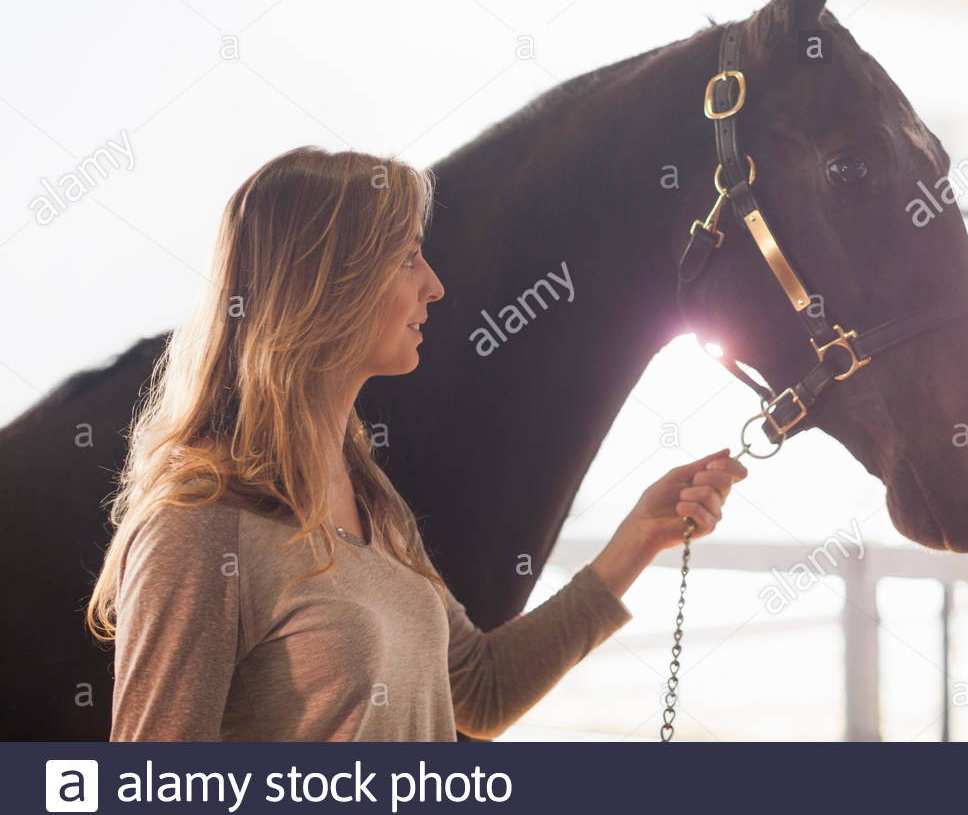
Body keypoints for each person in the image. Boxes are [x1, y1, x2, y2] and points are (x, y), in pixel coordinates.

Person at [86, 145, 747, 741]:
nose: (433, 284)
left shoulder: (372, 503)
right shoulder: (200, 530)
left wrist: (640, 537)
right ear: (325, 285)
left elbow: (482, 692)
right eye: (406, 258)